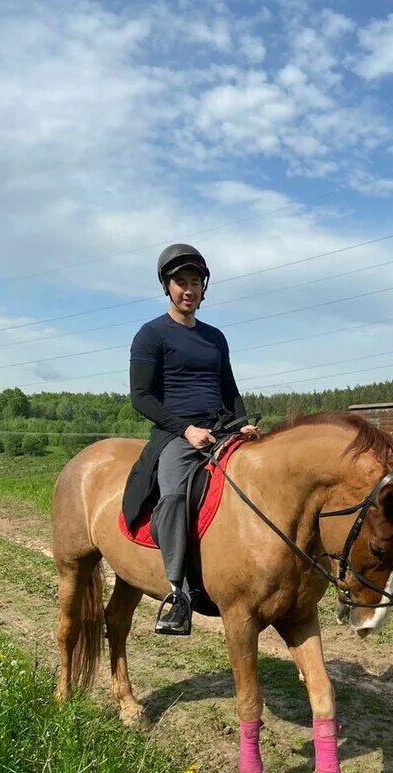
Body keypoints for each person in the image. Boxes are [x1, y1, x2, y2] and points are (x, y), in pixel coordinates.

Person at [125, 243, 259, 635]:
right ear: (167, 287)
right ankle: (177, 592)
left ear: (204, 288)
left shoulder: (215, 337)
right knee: (172, 493)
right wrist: (184, 429)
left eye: (195, 282)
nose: (189, 289)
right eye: (180, 282)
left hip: (221, 429)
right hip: (177, 434)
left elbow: (230, 389)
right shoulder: (151, 335)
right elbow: (141, 396)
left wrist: (242, 424)